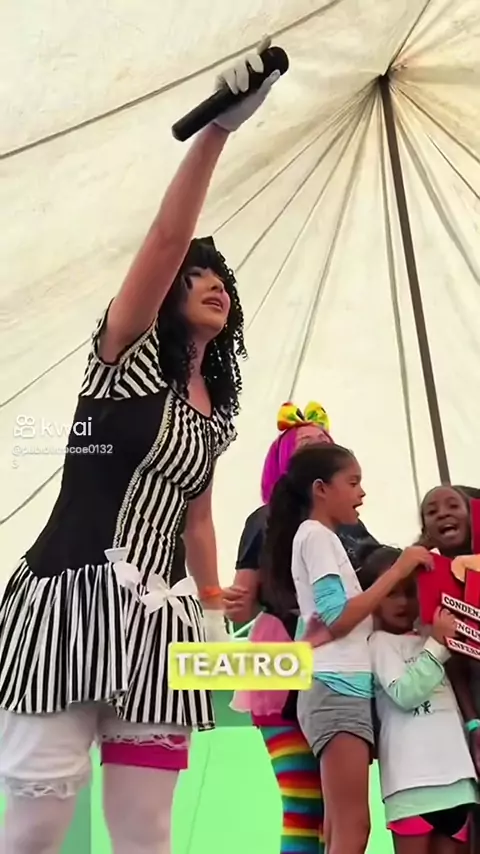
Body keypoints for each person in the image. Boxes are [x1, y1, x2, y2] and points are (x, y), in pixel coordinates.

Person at [0, 41, 280, 854]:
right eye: (199, 274)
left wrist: (214, 606)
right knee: (40, 822)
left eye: (223, 279)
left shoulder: (215, 415)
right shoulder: (120, 360)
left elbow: (199, 518)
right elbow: (164, 237)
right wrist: (217, 133)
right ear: (165, 294)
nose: (214, 283)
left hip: (160, 624)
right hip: (69, 601)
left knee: (146, 832)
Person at [262, 443, 432, 854]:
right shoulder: (316, 537)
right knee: (353, 828)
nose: (361, 493)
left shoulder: (320, 538)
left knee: (339, 827)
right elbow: (337, 617)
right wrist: (398, 571)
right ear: (321, 489)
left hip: (338, 687)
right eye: (353, 483)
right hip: (335, 688)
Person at [225, 403, 379, 854]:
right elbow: (241, 603)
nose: (314, 447)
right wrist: (235, 602)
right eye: (302, 444)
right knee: (305, 804)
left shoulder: (352, 527)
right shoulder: (264, 519)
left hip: (339, 667)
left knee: (335, 811)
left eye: (322, 443)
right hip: (282, 662)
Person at [363, 545, 478, 854]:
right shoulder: (379, 643)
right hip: (410, 786)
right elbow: (405, 693)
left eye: (410, 592)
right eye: (392, 593)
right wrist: (438, 644)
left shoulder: (435, 635)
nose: (403, 602)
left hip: (458, 784)